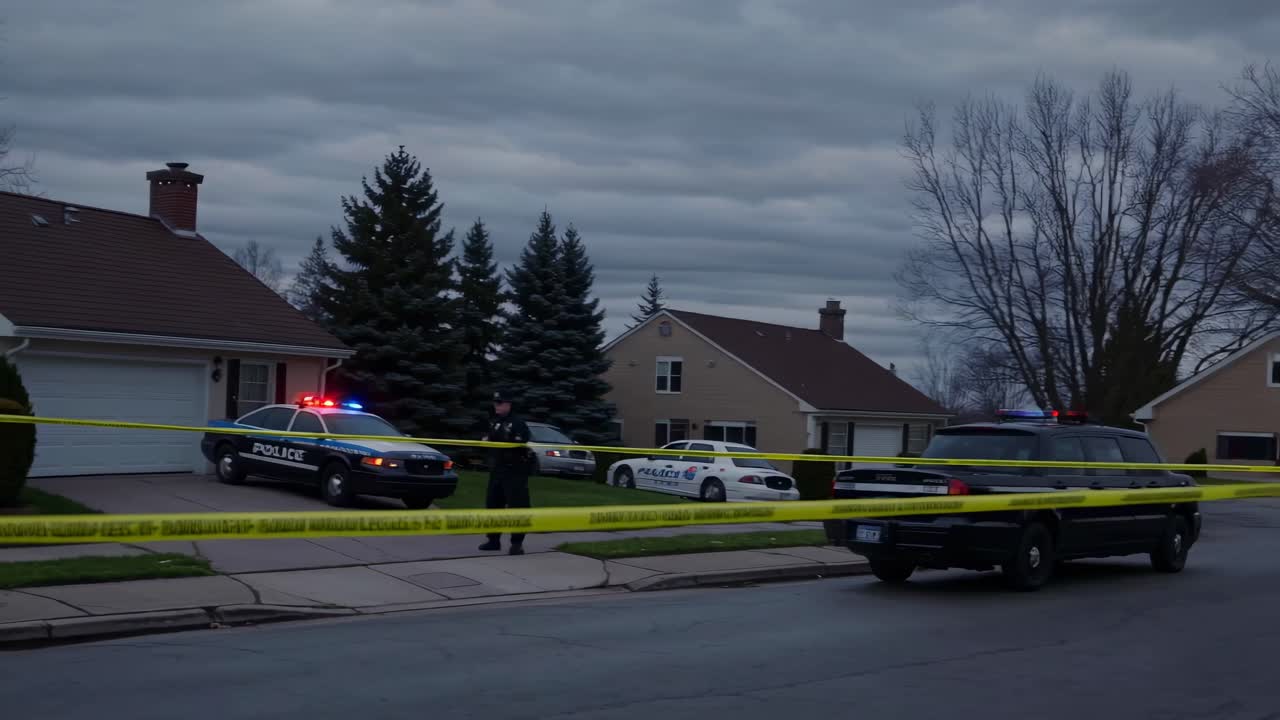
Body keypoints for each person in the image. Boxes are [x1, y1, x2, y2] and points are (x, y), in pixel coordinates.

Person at [478, 389, 533, 555]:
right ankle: (493, 540)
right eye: (495, 403)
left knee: (517, 506)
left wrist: (497, 440)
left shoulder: (517, 423)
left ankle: (517, 543)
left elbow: (520, 440)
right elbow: (488, 440)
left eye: (499, 403)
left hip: (514, 471)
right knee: (493, 505)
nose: (496, 406)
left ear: (508, 404)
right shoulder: (495, 422)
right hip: (497, 470)